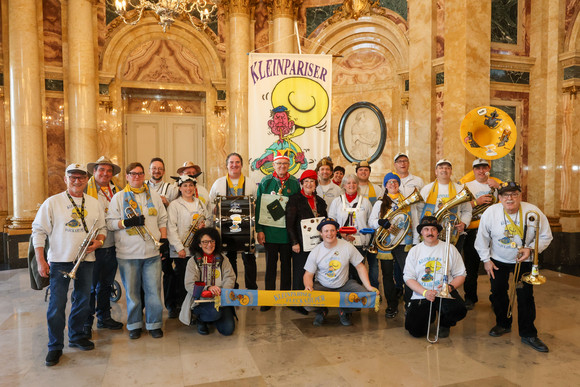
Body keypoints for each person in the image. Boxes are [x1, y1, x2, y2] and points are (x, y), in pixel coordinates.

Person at [32, 163, 107, 366]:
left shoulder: (93, 203)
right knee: (57, 305)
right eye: (72, 177)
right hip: (59, 261)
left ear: (86, 179)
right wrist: (40, 261)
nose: (77, 181)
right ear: (65, 179)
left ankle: (75, 336)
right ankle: (55, 346)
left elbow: (102, 228)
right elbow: (38, 232)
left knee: (83, 301)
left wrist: (99, 241)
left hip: (86, 261)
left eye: (81, 177)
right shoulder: (52, 202)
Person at [475, 181, 553, 352]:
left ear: (520, 196)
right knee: (498, 294)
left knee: (525, 296)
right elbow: (481, 239)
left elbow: (546, 236)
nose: (509, 198)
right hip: (498, 260)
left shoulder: (533, 211)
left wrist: (531, 249)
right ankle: (503, 324)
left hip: (524, 261)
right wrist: (486, 260)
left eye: (514, 194)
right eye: (505, 195)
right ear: (500, 198)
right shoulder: (491, 212)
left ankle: (528, 334)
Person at [106, 162, 169, 340]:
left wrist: (163, 239)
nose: (137, 177)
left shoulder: (154, 196)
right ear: (127, 176)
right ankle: (134, 324)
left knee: (154, 291)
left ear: (144, 176)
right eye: (133, 174)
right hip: (127, 254)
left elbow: (162, 219)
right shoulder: (118, 198)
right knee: (132, 292)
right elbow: (110, 223)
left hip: (152, 253)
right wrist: (127, 223)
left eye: (140, 174)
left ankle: (154, 324)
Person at [303, 218, 377, 326]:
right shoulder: (316, 251)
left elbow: (360, 267)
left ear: (336, 231)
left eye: (332, 230)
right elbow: (308, 274)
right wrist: (308, 286)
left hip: (343, 285)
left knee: (362, 296)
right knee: (307, 302)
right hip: (323, 286)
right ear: (321, 233)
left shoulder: (347, 246)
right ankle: (321, 311)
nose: (329, 234)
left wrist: (369, 287)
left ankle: (344, 311)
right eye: (326, 231)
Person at [403, 216, 467, 339]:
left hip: (444, 291)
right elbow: (408, 278)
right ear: (421, 232)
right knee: (415, 331)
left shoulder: (450, 249)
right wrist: (425, 292)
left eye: (433, 229)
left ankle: (445, 323)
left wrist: (450, 287)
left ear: (438, 232)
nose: (430, 233)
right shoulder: (414, 251)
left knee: (458, 309)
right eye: (426, 229)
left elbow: (461, 274)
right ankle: (429, 315)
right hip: (423, 293)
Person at [255, 150, 301, 311]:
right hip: (270, 231)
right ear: (273, 165)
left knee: (287, 266)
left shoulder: (294, 182)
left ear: (289, 165)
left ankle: (286, 297)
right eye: (278, 163)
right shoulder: (266, 182)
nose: (282, 166)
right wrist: (259, 230)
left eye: (285, 164)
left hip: (287, 232)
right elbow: (259, 206)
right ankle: (268, 299)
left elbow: (298, 207)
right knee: (270, 266)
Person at [83, 156, 123, 339]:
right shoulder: (84, 190)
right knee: (90, 286)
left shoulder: (118, 191)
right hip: (93, 245)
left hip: (112, 244)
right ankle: (86, 322)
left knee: (106, 284)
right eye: (101, 170)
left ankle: (104, 317)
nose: (105, 174)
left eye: (109, 171)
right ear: (94, 171)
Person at [369, 172, 416, 318]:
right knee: (387, 276)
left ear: (398, 184)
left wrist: (416, 242)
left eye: (395, 182)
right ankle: (391, 305)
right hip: (386, 244)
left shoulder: (408, 201)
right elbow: (371, 221)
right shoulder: (379, 203)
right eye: (389, 182)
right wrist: (381, 222)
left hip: (404, 243)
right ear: (385, 185)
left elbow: (414, 222)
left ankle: (409, 303)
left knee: (408, 274)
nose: (392, 184)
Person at [209, 152, 258, 290]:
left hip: (247, 228)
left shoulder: (250, 183)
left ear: (241, 165)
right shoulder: (218, 184)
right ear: (226, 165)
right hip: (226, 229)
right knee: (230, 260)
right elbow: (210, 205)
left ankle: (252, 289)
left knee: (249, 259)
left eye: (237, 162)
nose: (234, 165)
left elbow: (256, 203)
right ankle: (233, 288)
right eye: (231, 162)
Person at [165, 174, 209, 319]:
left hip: (197, 249)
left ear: (194, 187)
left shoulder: (200, 203)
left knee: (198, 278)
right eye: (185, 186)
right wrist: (179, 248)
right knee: (183, 280)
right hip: (182, 250)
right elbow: (171, 228)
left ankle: (196, 306)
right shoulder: (174, 205)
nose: (188, 188)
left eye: (191, 185)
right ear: (180, 188)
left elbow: (208, 220)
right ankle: (183, 308)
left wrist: (204, 225)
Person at [179, 228, 236, 336]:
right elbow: (190, 284)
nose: (209, 245)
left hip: (220, 299)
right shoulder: (193, 261)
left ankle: (215, 317)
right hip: (200, 300)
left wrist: (223, 291)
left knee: (228, 330)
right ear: (199, 244)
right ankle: (201, 319)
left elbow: (230, 277)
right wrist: (208, 288)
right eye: (205, 242)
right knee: (214, 313)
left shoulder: (223, 259)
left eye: (212, 241)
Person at [286, 169, 328, 315]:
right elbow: (290, 224)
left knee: (317, 272)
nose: (309, 184)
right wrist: (294, 242)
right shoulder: (294, 199)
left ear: (316, 184)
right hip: (301, 245)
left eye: (312, 181)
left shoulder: (321, 202)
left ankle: (314, 300)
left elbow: (325, 222)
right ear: (302, 184)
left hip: (318, 244)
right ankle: (298, 303)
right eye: (306, 182)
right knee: (300, 272)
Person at [461, 158, 501, 310]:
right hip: (473, 230)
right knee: (471, 267)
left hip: (494, 231)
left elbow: (512, 198)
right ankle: (470, 297)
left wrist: (500, 186)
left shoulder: (496, 184)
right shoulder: (466, 186)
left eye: (484, 167)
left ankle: (495, 296)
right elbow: (460, 208)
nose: (481, 171)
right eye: (477, 168)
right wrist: (476, 202)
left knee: (495, 265)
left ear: (488, 168)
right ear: (473, 170)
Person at [415, 159, 471, 251]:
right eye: (441, 168)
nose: (444, 170)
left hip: (454, 234)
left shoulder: (460, 190)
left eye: (447, 168)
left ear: (451, 171)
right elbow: (419, 210)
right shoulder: (427, 189)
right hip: (431, 234)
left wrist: (464, 223)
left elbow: (467, 210)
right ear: (436, 171)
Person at [328, 174, 373, 284]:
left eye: (354, 182)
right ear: (343, 185)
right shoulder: (337, 202)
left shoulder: (366, 202)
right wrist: (341, 234)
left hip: (360, 243)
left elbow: (371, 223)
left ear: (357, 184)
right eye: (348, 183)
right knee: (342, 272)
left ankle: (357, 298)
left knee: (358, 273)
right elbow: (331, 222)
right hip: (341, 242)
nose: (351, 185)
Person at [392, 152, 425, 298]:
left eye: (405, 161)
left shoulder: (417, 180)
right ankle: (398, 286)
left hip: (413, 223)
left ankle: (410, 291)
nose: (402, 163)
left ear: (408, 163)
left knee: (408, 261)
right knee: (397, 263)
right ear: (395, 165)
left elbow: (422, 204)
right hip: (396, 228)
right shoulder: (391, 180)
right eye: (399, 161)